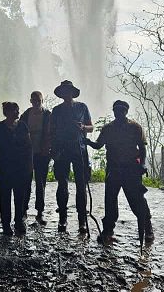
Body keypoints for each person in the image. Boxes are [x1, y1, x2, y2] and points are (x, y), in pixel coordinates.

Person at [85, 100, 154, 244]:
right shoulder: (108, 128)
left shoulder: (135, 127)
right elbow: (99, 145)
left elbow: (142, 148)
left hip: (131, 169)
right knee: (110, 201)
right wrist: (86, 141)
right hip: (114, 169)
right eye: (116, 110)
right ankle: (108, 230)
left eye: (122, 110)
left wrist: (142, 164)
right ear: (114, 111)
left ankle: (147, 228)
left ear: (126, 111)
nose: (119, 113)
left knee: (137, 200)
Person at [49, 80, 93, 233]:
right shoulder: (56, 110)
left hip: (79, 149)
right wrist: (53, 150)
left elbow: (91, 127)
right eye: (63, 91)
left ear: (72, 92)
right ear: (61, 94)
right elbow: (52, 131)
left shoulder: (82, 107)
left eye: (68, 91)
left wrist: (82, 127)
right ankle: (63, 218)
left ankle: (82, 220)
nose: (66, 93)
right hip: (62, 150)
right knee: (62, 185)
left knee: (81, 185)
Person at [0, 102, 33, 235]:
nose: (18, 112)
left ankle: (18, 221)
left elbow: (28, 146)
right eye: (15, 110)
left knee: (19, 195)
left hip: (20, 167)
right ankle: (5, 224)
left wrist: (29, 165)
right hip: (5, 166)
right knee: (4, 196)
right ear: (7, 112)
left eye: (17, 110)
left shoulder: (22, 126)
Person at [19, 91, 51, 225]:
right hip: (28, 153)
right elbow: (19, 131)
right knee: (25, 182)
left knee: (40, 183)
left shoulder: (48, 115)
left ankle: (40, 212)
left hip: (42, 153)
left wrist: (48, 148)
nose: (36, 102)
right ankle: (23, 211)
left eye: (38, 100)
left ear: (42, 100)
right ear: (30, 101)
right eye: (34, 100)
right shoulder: (26, 115)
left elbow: (51, 133)